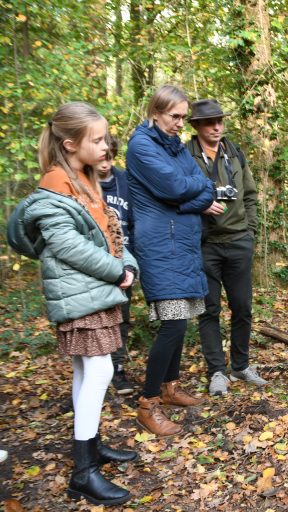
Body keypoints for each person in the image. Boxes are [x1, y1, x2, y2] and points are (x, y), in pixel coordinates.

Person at [9, 102, 138, 505]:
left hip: (95, 291)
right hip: (80, 294)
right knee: (100, 368)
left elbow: (112, 232)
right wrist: (117, 272)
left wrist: (128, 263)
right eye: (96, 140)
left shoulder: (86, 182)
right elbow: (68, 245)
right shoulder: (54, 189)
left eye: (105, 139)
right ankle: (83, 473)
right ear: (69, 144)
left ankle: (90, 448)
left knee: (87, 368)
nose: (105, 146)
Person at [126, 85, 224, 436]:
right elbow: (175, 188)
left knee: (181, 321)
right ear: (156, 113)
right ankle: (148, 402)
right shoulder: (141, 146)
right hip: (159, 245)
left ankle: (169, 387)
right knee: (173, 323)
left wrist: (185, 199)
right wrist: (189, 197)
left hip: (181, 242)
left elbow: (202, 184)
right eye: (175, 116)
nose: (181, 123)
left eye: (184, 117)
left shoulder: (175, 146)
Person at [185, 99, 265, 396]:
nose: (216, 127)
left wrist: (250, 233)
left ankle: (241, 366)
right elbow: (177, 196)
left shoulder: (234, 153)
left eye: (219, 121)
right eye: (209, 122)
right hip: (205, 244)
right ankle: (217, 371)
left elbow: (250, 195)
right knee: (209, 310)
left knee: (242, 307)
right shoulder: (185, 156)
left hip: (238, 241)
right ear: (196, 125)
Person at [96, 134, 136, 395]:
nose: (105, 163)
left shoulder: (124, 181)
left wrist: (134, 260)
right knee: (96, 319)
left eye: (110, 157)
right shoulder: (81, 182)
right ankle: (95, 371)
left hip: (124, 261)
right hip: (95, 262)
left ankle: (117, 368)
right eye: (101, 157)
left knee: (121, 316)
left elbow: (135, 219)